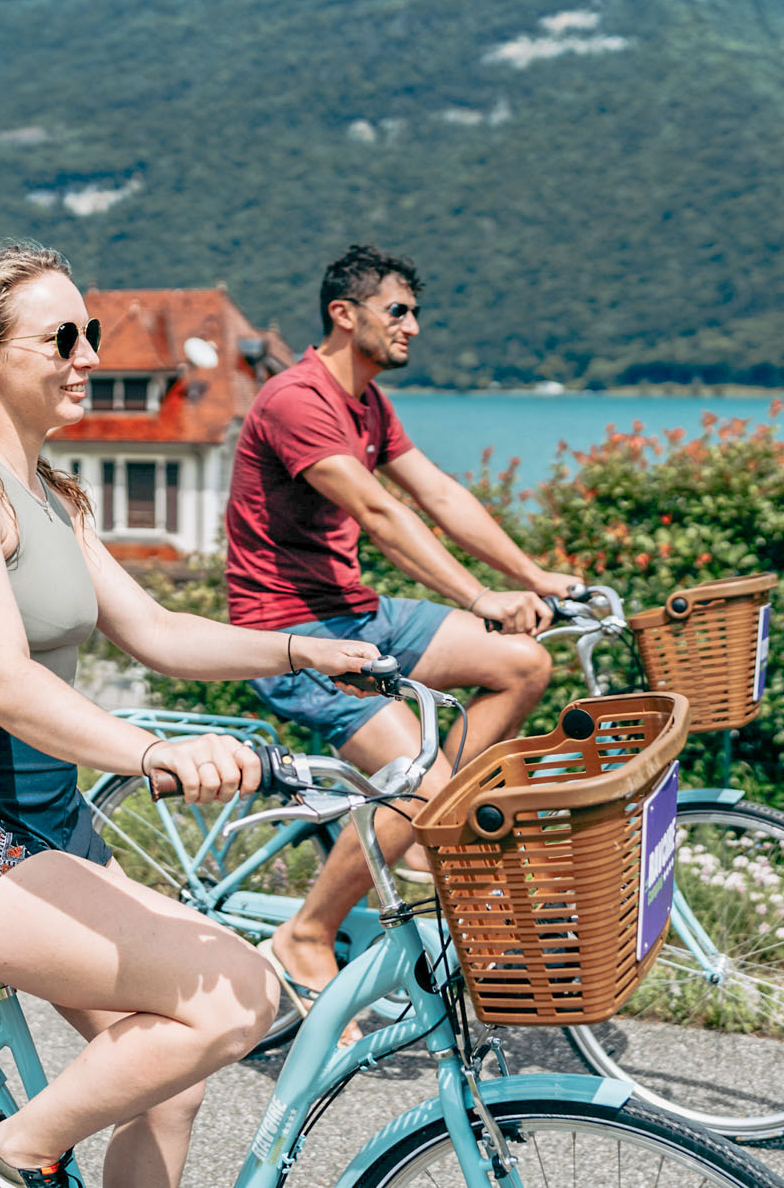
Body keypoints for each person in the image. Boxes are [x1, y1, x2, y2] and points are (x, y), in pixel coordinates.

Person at [0, 242, 381, 1188]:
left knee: (171, 1078)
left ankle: (13, 1152)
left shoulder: (53, 494)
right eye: (61, 337)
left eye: (90, 333)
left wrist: (305, 647)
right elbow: (2, 684)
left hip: (46, 823)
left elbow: (156, 630)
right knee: (237, 998)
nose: (89, 356)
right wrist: (155, 754)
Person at [224, 243, 581, 1034]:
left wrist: (532, 573)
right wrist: (480, 593)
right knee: (416, 783)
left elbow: (439, 493)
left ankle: (416, 824)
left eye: (416, 311)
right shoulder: (297, 399)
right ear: (344, 315)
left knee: (523, 663)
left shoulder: (371, 404)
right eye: (399, 310)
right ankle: (306, 932)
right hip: (291, 628)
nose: (414, 325)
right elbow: (383, 515)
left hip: (359, 610)